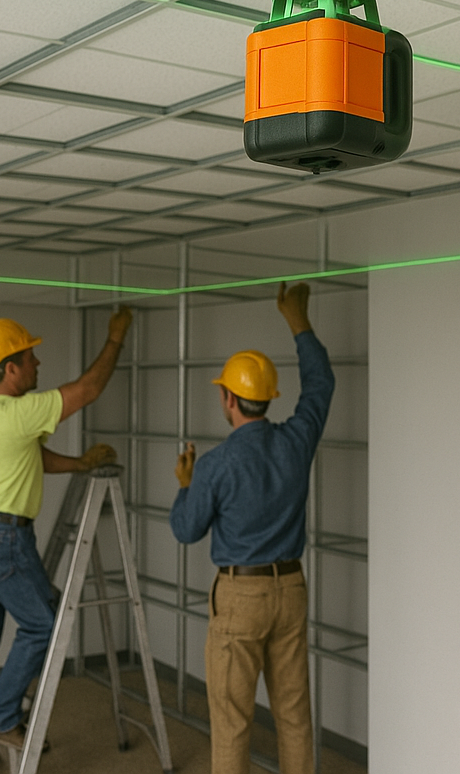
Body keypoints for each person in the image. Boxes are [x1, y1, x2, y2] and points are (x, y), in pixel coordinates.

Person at [0, 307, 133, 773]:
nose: (37, 364)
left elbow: (30, 457)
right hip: (3, 541)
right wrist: (115, 338)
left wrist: (80, 463)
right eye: (30, 358)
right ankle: (0, 718)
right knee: (45, 624)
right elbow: (88, 389)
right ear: (10, 369)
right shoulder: (20, 412)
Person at [170, 282, 334, 774]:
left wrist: (186, 485)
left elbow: (186, 529)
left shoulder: (216, 465)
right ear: (267, 399)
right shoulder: (296, 441)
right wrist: (298, 321)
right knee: (294, 717)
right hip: (291, 589)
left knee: (232, 722)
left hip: (241, 597)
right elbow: (321, 384)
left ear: (228, 399)